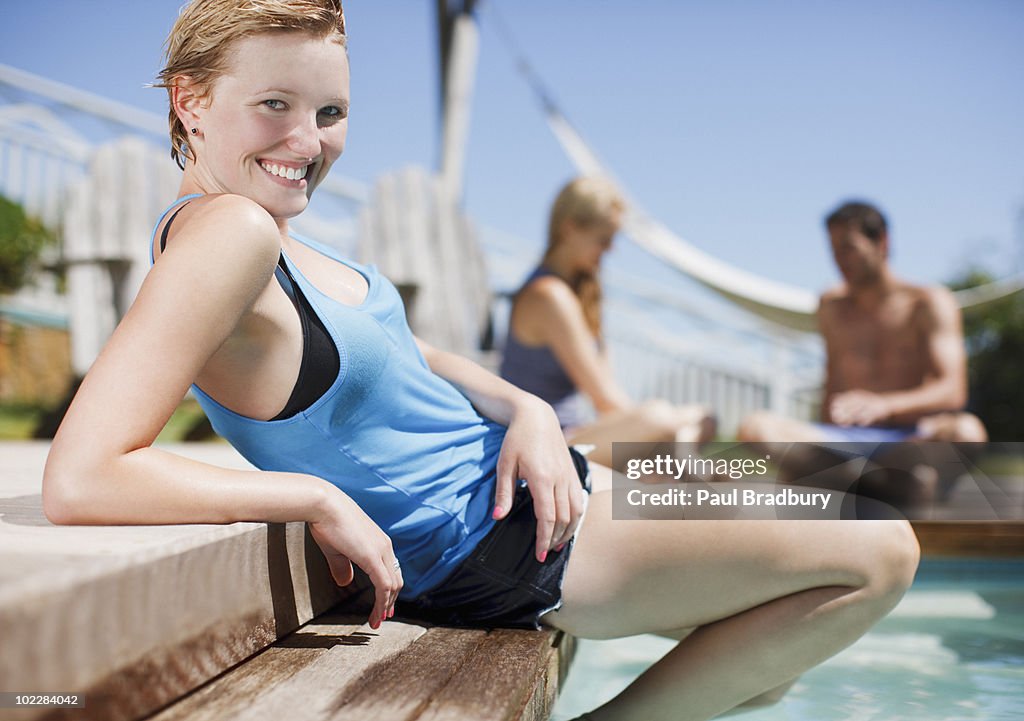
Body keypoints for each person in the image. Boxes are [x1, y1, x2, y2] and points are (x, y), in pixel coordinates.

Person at [42, 3, 919, 719]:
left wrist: (526, 408)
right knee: (879, 544)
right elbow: (82, 475)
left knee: (773, 666)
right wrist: (313, 494)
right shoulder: (225, 234)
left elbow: (410, 351)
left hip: (546, 477)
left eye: (331, 112)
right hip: (493, 538)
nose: (308, 142)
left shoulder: (273, 233)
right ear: (190, 100)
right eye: (275, 105)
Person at [738, 201, 987, 506]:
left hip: (906, 438)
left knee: (968, 431)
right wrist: (807, 453)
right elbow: (832, 384)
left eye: (848, 247)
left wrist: (885, 405)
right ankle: (878, 487)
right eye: (833, 249)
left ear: (882, 241)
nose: (840, 259)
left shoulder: (929, 302)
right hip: (843, 440)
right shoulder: (831, 305)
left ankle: (893, 491)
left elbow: (953, 391)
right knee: (756, 428)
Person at [500, 176, 715, 470]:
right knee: (658, 417)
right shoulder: (548, 296)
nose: (611, 250)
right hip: (550, 443)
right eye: (604, 240)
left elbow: (608, 391)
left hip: (581, 433)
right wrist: (652, 429)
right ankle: (677, 460)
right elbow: (607, 401)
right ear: (570, 229)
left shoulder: (581, 294)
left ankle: (674, 458)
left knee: (704, 416)